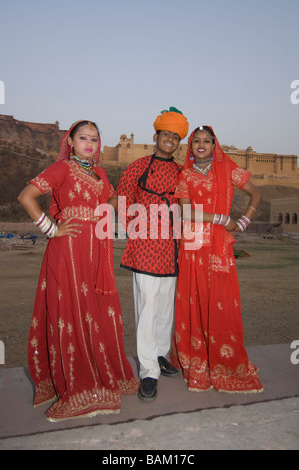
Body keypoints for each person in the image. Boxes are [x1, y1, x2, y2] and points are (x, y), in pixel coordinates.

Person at [18, 120, 139, 422]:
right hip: (68, 250)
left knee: (96, 309)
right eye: (82, 138)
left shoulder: (99, 173)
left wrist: (109, 209)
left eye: (94, 139)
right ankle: (77, 383)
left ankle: (101, 372)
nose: (89, 144)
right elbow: (26, 197)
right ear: (69, 142)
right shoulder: (61, 169)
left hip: (96, 249)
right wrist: (51, 229)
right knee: (71, 311)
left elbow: (110, 197)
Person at [170, 125, 264, 393]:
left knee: (222, 303)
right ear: (191, 146)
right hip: (193, 245)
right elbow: (186, 213)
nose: (201, 144)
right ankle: (198, 363)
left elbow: (256, 194)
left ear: (214, 145)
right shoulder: (185, 174)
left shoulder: (228, 169)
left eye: (206, 141)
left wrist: (244, 221)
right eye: (196, 141)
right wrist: (223, 219)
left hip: (219, 245)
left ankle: (224, 364)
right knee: (194, 301)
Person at [117, 107, 189, 401]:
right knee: (147, 306)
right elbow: (123, 199)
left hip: (172, 246)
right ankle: (148, 370)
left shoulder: (180, 172)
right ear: (156, 136)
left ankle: (160, 355)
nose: (170, 140)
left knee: (165, 308)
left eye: (175, 136)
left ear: (178, 142)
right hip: (145, 245)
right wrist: (137, 230)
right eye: (166, 134)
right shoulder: (138, 166)